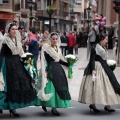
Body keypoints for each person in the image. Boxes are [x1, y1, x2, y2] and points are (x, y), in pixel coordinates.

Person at [0, 22, 36, 117]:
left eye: (16, 29)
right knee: (8, 86)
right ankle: (2, 106)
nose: (15, 31)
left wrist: (28, 63)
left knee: (19, 84)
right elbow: (1, 54)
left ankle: (13, 108)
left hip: (17, 63)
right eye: (13, 29)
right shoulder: (4, 40)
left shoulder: (18, 40)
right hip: (7, 64)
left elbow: (21, 53)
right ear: (8, 31)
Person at [78, 33, 120, 113]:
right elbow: (92, 59)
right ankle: (93, 105)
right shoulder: (94, 47)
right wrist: (93, 69)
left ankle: (107, 105)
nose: (107, 41)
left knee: (108, 85)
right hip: (98, 67)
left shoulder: (103, 46)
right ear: (101, 39)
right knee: (96, 87)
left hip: (104, 66)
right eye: (106, 39)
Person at [36, 32, 71, 116]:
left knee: (59, 86)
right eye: (53, 39)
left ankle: (52, 106)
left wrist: (68, 64)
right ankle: (53, 108)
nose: (55, 41)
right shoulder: (47, 48)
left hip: (58, 68)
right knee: (50, 87)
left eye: (56, 39)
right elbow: (45, 60)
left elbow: (58, 59)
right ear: (50, 40)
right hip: (50, 69)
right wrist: (46, 71)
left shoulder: (57, 48)